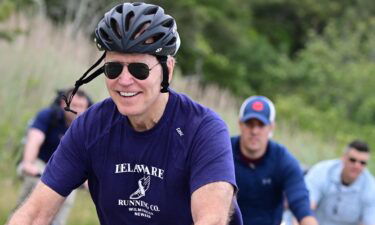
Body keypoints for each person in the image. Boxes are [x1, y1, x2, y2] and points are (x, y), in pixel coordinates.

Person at [7, 2, 241, 225]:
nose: (125, 80)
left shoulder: (203, 129)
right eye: (114, 68)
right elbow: (34, 214)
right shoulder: (90, 127)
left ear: (167, 70)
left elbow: (212, 218)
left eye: (139, 69)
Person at [231, 95, 318, 225]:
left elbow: (300, 201)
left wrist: (308, 220)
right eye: (249, 124)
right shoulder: (223, 152)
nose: (255, 131)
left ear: (271, 127)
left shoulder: (283, 159)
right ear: (240, 124)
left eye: (261, 125)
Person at [14, 88, 92, 225]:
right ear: (63, 104)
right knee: (33, 193)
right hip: (41, 163)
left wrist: (89, 179)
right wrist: (28, 163)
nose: (77, 110)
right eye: (73, 105)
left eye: (81, 107)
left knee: (66, 200)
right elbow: (34, 139)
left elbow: (89, 155)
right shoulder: (48, 116)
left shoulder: (88, 126)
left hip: (66, 169)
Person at [305, 140, 375, 225]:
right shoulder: (321, 172)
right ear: (343, 158)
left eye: (362, 163)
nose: (357, 166)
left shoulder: (371, 187)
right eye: (352, 160)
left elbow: (369, 221)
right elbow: (304, 209)